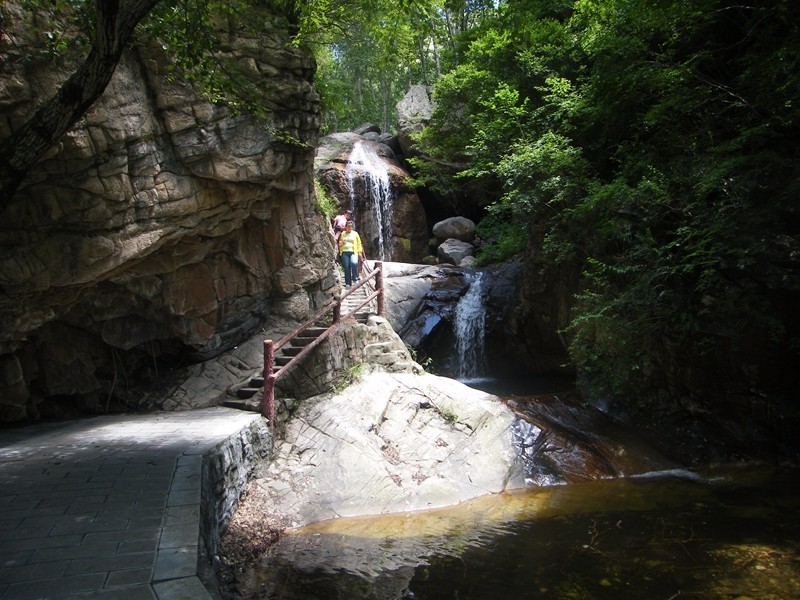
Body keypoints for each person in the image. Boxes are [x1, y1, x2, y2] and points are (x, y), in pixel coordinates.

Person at [338, 220, 365, 287]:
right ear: (345, 227)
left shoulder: (355, 234)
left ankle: (355, 278)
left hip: (353, 252)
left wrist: (360, 252)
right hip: (344, 252)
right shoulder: (343, 234)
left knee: (354, 263)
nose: (349, 228)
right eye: (348, 226)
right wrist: (340, 244)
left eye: (351, 227)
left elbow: (359, 243)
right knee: (346, 267)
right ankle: (348, 283)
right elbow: (340, 242)